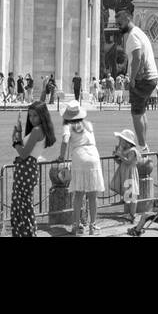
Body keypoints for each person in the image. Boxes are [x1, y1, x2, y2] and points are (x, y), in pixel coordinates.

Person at [10, 100, 56, 236]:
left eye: (35, 116)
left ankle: (26, 232)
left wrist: (15, 142)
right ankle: (26, 232)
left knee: (21, 204)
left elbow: (23, 154)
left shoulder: (37, 130)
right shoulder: (41, 130)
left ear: (42, 115)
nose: (32, 119)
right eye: (30, 116)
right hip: (29, 168)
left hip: (26, 168)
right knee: (23, 203)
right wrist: (18, 134)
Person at [116, 7, 158, 149]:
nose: (118, 27)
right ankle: (144, 143)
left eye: (119, 23)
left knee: (136, 114)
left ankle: (142, 146)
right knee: (141, 112)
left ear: (128, 19)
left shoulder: (133, 35)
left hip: (143, 79)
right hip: (152, 77)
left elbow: (137, 57)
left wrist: (132, 78)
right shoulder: (140, 33)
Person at [61, 100, 104, 236]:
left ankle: (76, 225)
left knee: (79, 193)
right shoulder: (88, 124)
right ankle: (92, 225)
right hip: (93, 155)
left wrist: (61, 157)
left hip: (80, 155)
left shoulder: (68, 125)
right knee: (92, 193)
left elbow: (65, 140)